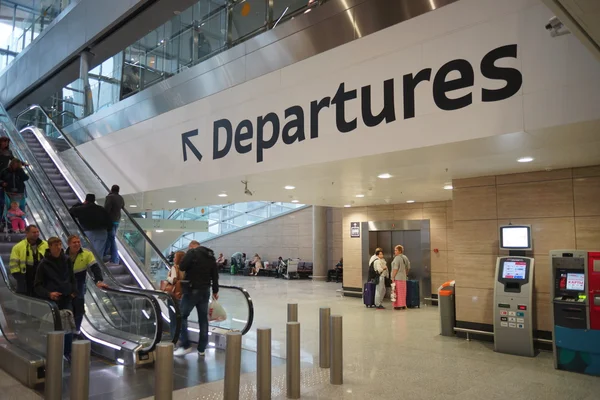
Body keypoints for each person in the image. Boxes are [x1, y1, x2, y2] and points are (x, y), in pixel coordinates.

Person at [34, 237, 77, 361]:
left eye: (59, 244)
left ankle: (67, 352)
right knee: (53, 326)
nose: (58, 247)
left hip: (66, 297)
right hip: (52, 301)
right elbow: (37, 285)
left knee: (68, 325)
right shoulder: (44, 264)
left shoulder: (67, 260)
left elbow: (72, 277)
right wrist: (49, 294)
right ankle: (53, 353)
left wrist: (74, 291)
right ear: (50, 246)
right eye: (55, 245)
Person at [174, 240, 219, 357]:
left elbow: (182, 267)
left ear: (191, 246)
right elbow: (215, 274)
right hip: (206, 290)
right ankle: (202, 349)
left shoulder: (192, 253)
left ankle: (185, 345)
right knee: (203, 319)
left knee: (181, 315)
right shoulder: (210, 255)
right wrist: (215, 290)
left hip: (192, 289)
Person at [66, 235, 109, 333]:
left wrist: (98, 281)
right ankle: (68, 331)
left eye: (78, 242)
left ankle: (76, 331)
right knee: (67, 308)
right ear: (69, 244)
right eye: (74, 242)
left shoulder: (86, 253)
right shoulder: (63, 254)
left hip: (79, 284)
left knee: (79, 307)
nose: (77, 244)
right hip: (66, 285)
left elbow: (95, 267)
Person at [9, 225, 48, 295]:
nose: (36, 234)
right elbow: (13, 264)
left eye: (37, 232)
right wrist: (19, 277)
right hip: (25, 279)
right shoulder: (18, 247)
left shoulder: (45, 244)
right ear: (27, 233)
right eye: (34, 232)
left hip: (41, 279)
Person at [103, 185, 124, 264]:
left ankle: (115, 259)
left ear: (111, 189)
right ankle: (104, 254)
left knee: (111, 238)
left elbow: (106, 209)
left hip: (110, 221)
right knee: (110, 238)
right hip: (117, 220)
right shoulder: (121, 198)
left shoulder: (110, 197)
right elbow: (122, 206)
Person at [167, 251, 185, 338]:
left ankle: (174, 339)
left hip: (173, 296)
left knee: (173, 319)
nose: (173, 258)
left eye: (175, 257)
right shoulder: (185, 269)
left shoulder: (174, 268)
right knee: (180, 319)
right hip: (182, 295)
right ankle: (181, 337)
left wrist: (168, 278)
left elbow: (173, 280)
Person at [391, 245, 411, 310]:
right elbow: (408, 267)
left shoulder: (397, 258)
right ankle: (403, 304)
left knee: (397, 292)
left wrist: (392, 276)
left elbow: (395, 269)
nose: (395, 251)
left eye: (396, 250)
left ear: (400, 251)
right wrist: (405, 273)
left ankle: (398, 305)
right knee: (403, 292)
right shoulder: (405, 257)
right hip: (403, 278)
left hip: (397, 277)